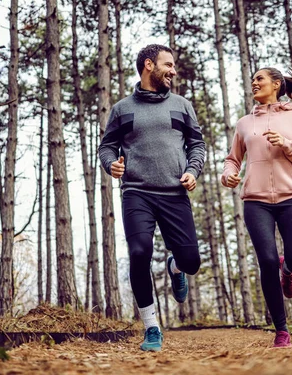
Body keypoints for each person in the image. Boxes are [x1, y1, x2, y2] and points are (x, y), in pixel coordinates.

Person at [99, 44, 205, 352]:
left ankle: (176, 267)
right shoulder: (122, 109)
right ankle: (152, 328)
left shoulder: (182, 105)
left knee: (191, 262)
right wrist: (112, 164)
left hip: (174, 192)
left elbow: (196, 145)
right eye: (168, 64)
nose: (173, 70)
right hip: (137, 192)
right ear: (149, 65)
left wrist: (193, 170)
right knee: (139, 252)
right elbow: (107, 148)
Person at [221, 55, 292, 348]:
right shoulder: (244, 123)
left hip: (290, 197)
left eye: (259, 79)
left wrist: (286, 145)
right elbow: (232, 160)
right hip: (255, 202)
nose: (254, 83)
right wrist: (229, 176)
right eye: (252, 80)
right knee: (267, 261)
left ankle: (288, 271)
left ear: (276, 84)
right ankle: (281, 330)